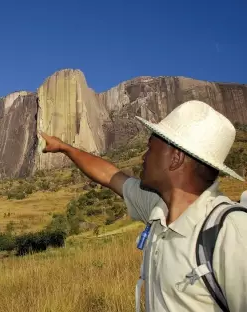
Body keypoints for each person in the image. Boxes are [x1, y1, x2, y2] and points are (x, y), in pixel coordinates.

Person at [39, 100, 247, 312]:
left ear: (175, 159)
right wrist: (65, 148)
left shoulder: (232, 232)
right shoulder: (156, 207)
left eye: (149, 148)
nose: (142, 157)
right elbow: (110, 176)